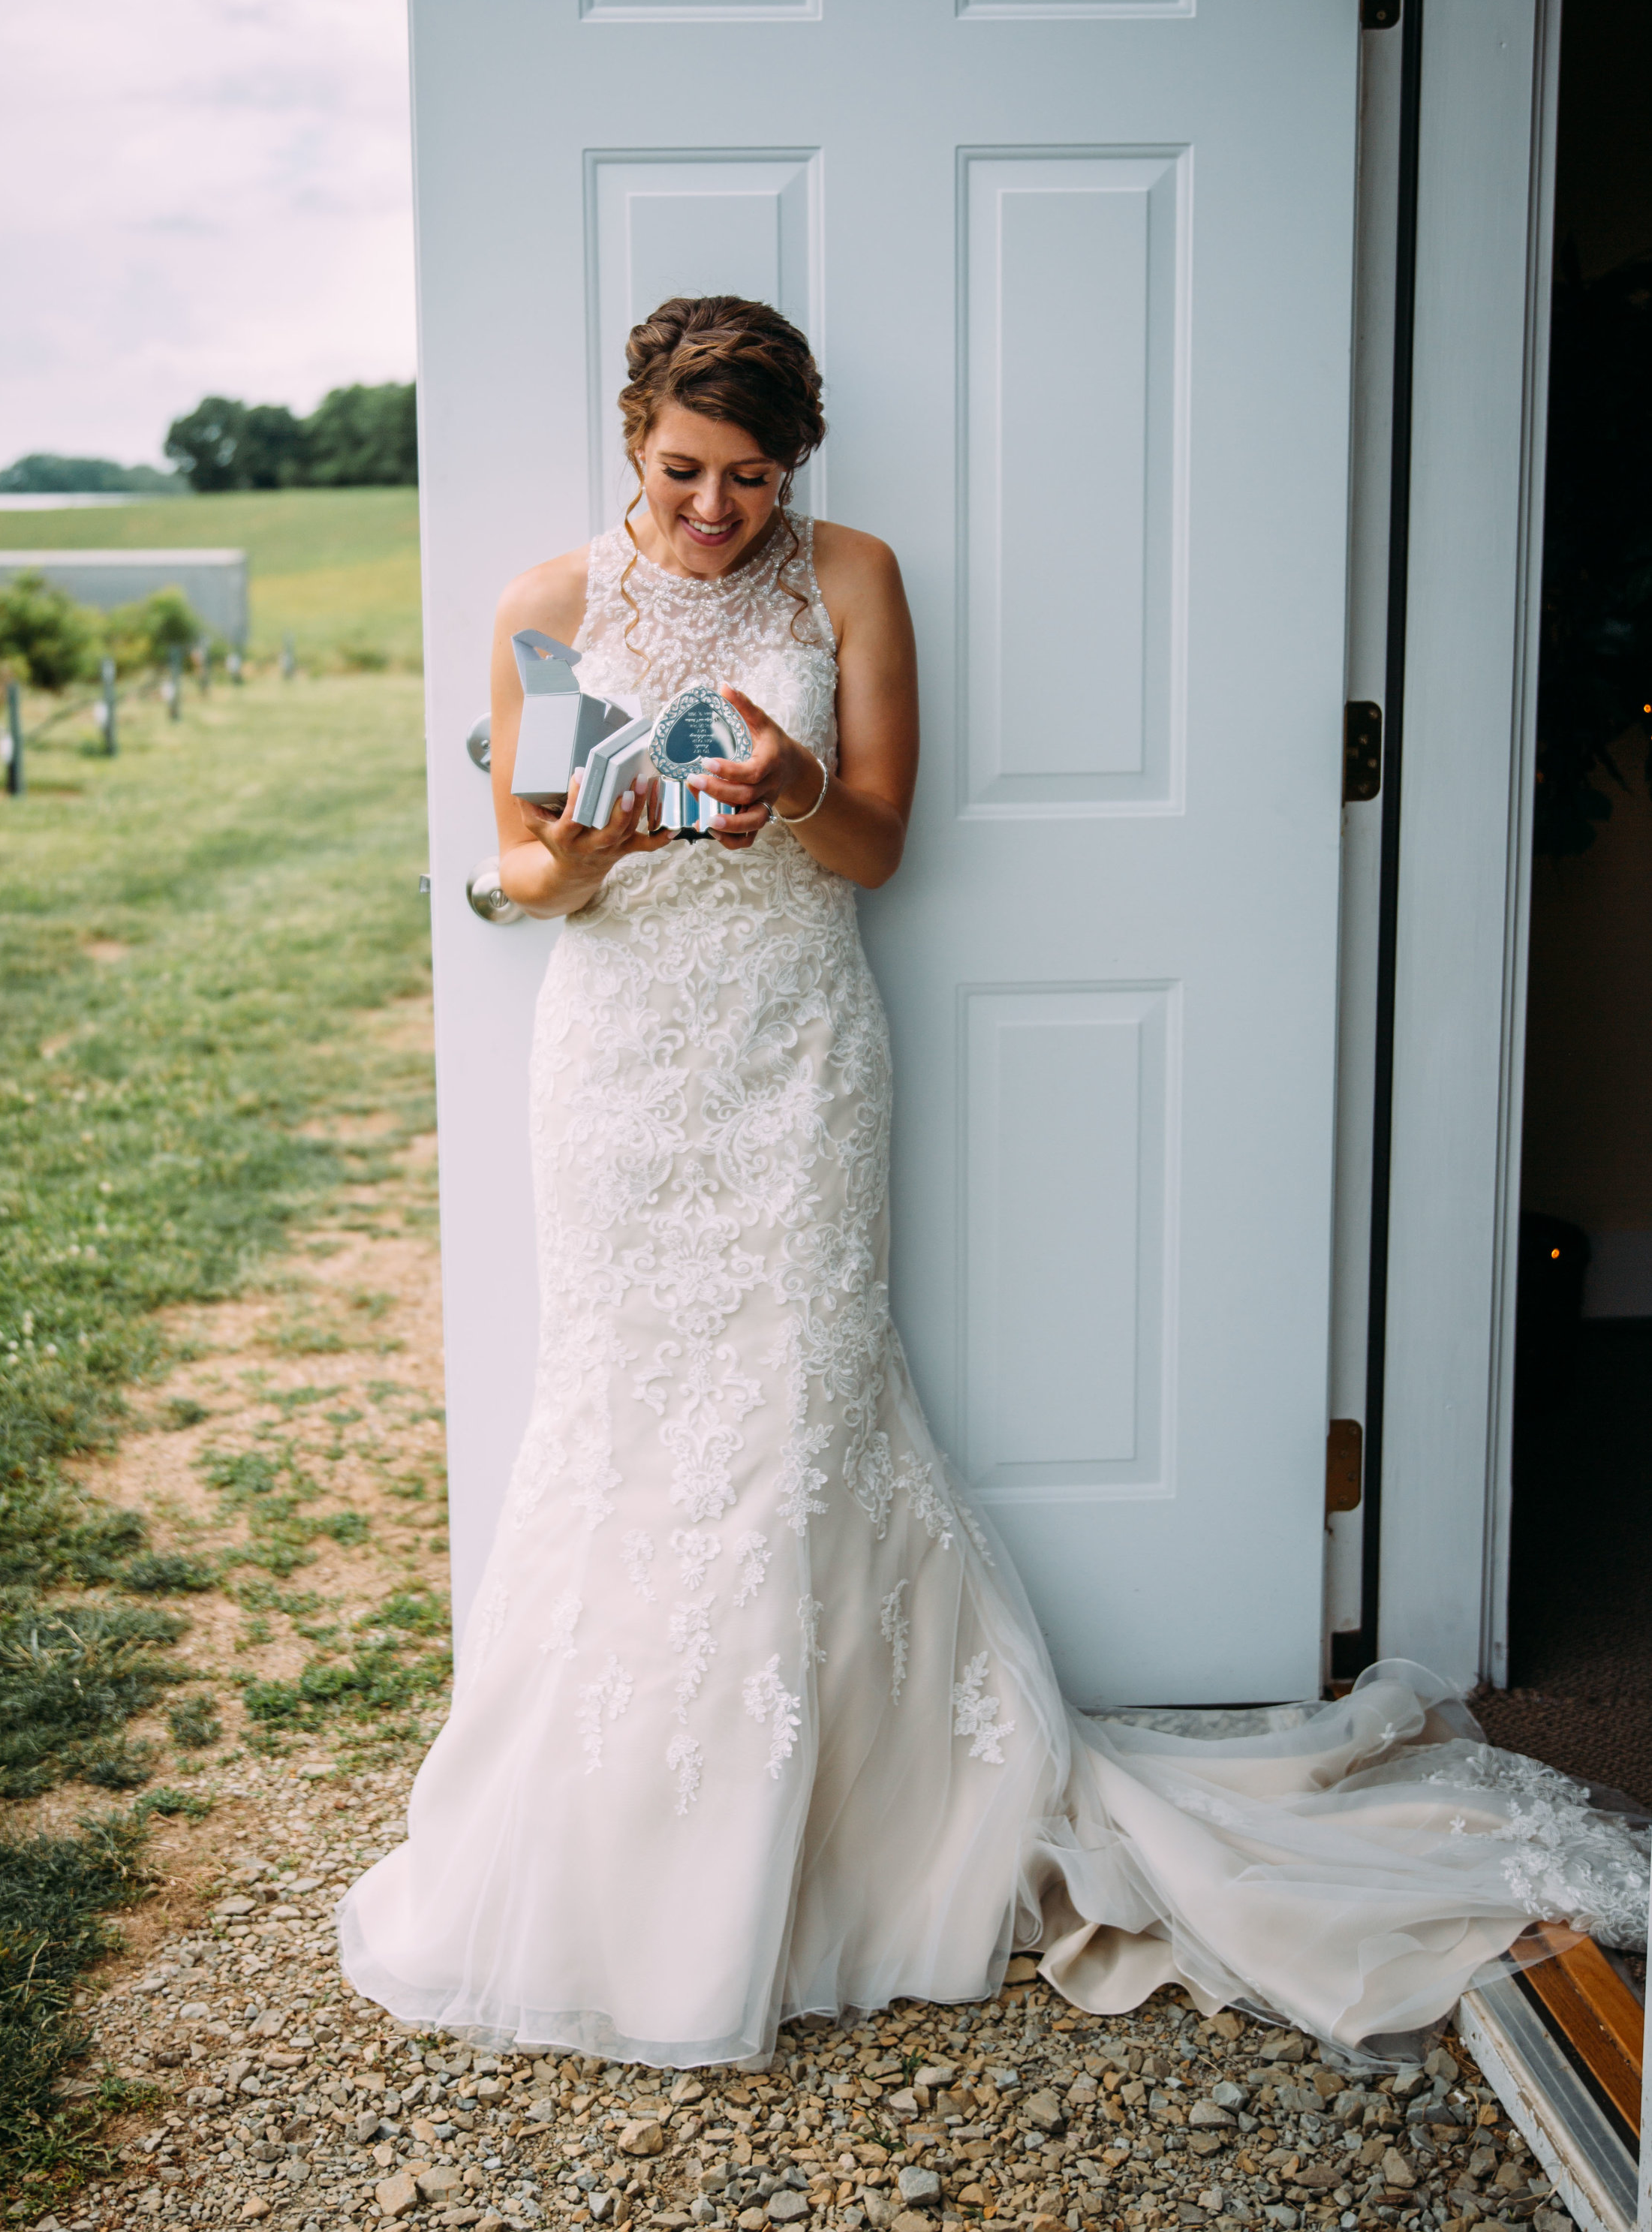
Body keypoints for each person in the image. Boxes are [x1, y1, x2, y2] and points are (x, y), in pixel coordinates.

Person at [338, 297, 1644, 2068]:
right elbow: (516, 872)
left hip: (795, 1049)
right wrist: (574, 850)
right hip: (620, 1065)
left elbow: (875, 842)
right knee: (620, 1412)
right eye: (679, 472)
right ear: (628, 437)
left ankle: (834, 1834)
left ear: (795, 462)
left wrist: (795, 784)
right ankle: (616, 1841)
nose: (713, 509)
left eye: (748, 475)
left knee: (798, 1411)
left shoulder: (852, 575)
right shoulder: (544, 605)